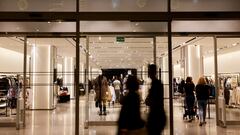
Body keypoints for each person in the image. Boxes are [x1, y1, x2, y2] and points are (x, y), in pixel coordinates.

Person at [146, 64, 166, 135]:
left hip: (156, 116)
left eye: (149, 71)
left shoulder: (156, 84)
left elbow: (153, 100)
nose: (148, 73)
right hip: (157, 115)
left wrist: (148, 99)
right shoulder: (156, 83)